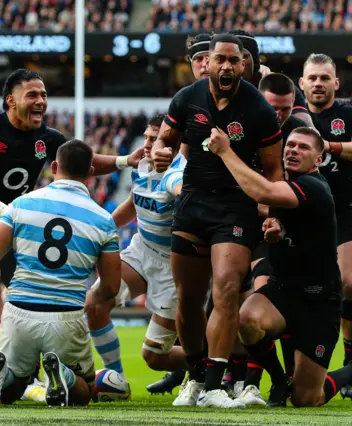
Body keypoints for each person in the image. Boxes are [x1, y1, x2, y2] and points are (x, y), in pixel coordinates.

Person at [206, 125, 352, 408]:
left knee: (307, 399)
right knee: (246, 320)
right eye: (290, 145)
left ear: (318, 160)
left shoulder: (313, 186)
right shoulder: (289, 183)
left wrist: (225, 151)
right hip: (283, 290)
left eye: (303, 148)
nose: (293, 150)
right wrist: (274, 225)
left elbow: (261, 192)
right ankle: (279, 380)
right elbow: (278, 212)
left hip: (319, 299)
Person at [0, 68, 142, 317]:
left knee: (29, 303)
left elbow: (83, 161)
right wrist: (2, 209)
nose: (40, 101)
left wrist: (124, 160)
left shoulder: (47, 138)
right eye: (32, 95)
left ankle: (19, 353)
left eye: (44, 95)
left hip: (14, 231)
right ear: (11, 100)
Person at [151, 33, 283, 408]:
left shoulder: (258, 109)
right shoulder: (187, 98)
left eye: (234, 61)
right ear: (207, 63)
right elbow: (164, 141)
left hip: (235, 208)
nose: (226, 66)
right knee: (189, 299)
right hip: (192, 205)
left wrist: (272, 216)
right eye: (219, 59)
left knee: (225, 289)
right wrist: (161, 153)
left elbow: (274, 171)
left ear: (244, 65)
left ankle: (214, 386)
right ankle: (193, 377)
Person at [0, 139, 122, 407]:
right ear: (90, 172)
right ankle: (64, 375)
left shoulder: (21, 204)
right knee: (83, 391)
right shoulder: (103, 219)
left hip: (19, 308)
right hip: (66, 314)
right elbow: (111, 286)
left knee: (13, 387)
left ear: (54, 166)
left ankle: (0, 377)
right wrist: (91, 294)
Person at [299, 54, 352, 399]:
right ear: (301, 84)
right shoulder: (292, 117)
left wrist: (327, 146)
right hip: (302, 214)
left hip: (346, 212)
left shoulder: (349, 115)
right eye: (312, 78)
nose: (318, 83)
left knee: (349, 285)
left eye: (324, 78)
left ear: (336, 84)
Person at [86, 115, 187, 386]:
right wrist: (101, 230)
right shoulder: (142, 165)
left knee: (154, 358)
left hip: (174, 265)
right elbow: (132, 204)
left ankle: (215, 360)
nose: (146, 144)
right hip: (142, 250)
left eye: (153, 140)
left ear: (170, 146)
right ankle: (116, 377)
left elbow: (180, 190)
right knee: (94, 304)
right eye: (145, 137)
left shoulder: (180, 173)